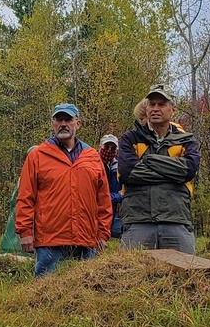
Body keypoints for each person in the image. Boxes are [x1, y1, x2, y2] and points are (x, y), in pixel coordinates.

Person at [15, 103, 112, 276]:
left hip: (86, 240)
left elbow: (103, 200)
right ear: (53, 123)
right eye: (58, 119)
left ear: (78, 123)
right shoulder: (38, 156)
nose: (63, 124)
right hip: (50, 241)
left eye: (68, 119)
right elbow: (25, 196)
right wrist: (25, 231)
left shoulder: (92, 157)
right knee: (45, 296)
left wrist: (103, 234)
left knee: (85, 294)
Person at [118, 85, 200, 253]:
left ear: (173, 109)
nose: (155, 109)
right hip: (138, 220)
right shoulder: (129, 138)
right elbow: (129, 173)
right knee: (130, 276)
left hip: (176, 219)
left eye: (161, 104)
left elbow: (188, 170)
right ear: (146, 108)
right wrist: (172, 173)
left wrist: (149, 160)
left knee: (185, 274)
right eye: (151, 104)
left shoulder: (186, 140)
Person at [98, 134, 123, 239]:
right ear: (100, 147)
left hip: (111, 214)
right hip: (95, 212)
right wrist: (119, 196)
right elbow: (100, 197)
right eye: (106, 147)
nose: (109, 150)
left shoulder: (118, 168)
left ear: (116, 151)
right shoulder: (93, 164)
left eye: (112, 148)